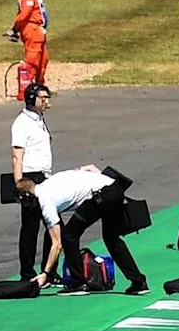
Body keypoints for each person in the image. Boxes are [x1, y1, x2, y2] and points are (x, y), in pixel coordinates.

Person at [34, 160, 149, 294]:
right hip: (115, 188)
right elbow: (89, 169)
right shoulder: (51, 181)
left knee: (69, 235)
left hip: (100, 196)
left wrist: (45, 273)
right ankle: (138, 282)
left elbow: (57, 244)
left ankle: (77, 284)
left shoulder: (44, 201)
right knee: (111, 238)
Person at [8, 79, 55, 281]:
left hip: (45, 176)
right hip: (30, 178)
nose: (46, 101)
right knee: (30, 226)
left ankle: (49, 270)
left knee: (52, 223)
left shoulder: (39, 119)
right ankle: (27, 271)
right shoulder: (22, 123)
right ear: (31, 99)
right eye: (42, 97)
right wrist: (19, 183)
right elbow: (17, 155)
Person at [9, 0, 50, 96]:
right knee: (32, 61)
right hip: (32, 30)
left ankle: (39, 89)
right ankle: (26, 92)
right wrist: (15, 28)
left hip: (38, 31)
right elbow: (24, 15)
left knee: (43, 60)